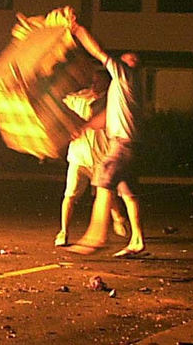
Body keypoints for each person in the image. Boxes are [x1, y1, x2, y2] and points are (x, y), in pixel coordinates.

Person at [66, 23, 146, 257]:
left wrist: (78, 29)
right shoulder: (123, 88)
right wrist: (85, 127)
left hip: (122, 144)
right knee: (129, 194)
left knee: (103, 178)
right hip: (128, 144)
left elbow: (98, 51)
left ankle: (96, 237)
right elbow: (106, 117)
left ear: (132, 65)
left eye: (129, 58)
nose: (123, 58)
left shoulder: (125, 75)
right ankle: (138, 240)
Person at [55, 68, 128, 247]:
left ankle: (117, 218)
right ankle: (64, 231)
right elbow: (57, 105)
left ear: (107, 83)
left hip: (101, 157)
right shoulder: (80, 97)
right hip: (78, 156)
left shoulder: (111, 102)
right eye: (92, 81)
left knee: (105, 194)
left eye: (98, 81)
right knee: (70, 195)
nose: (94, 84)